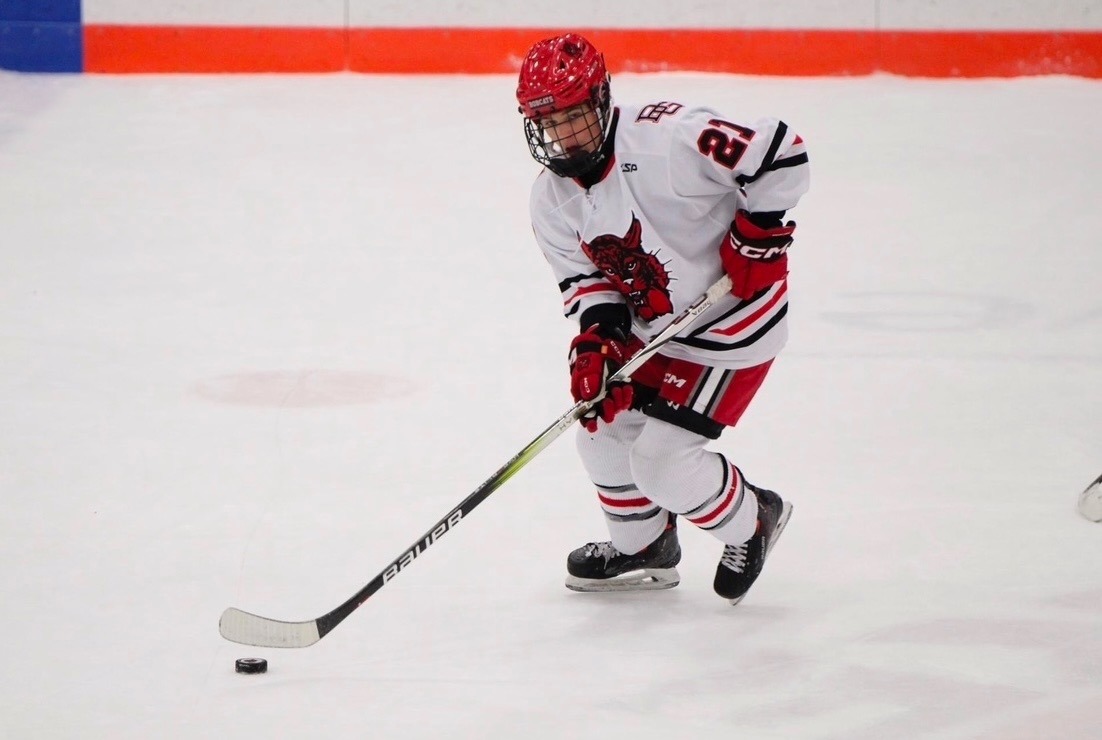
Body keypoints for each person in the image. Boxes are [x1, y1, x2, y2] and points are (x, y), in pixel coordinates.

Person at [515, 33, 810, 603]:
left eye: (574, 116)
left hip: (733, 325)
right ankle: (644, 547)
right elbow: (589, 282)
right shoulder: (550, 201)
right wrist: (599, 341)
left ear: (601, 99)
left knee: (661, 465)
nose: (564, 136)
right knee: (602, 435)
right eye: (549, 123)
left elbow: (781, 153)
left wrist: (759, 234)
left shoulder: (667, 139)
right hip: (657, 333)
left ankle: (754, 519)